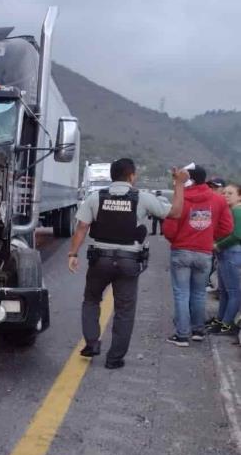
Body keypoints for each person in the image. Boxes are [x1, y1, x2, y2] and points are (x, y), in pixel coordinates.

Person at [68, 158, 188, 369]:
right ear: (132, 176)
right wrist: (178, 184)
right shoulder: (142, 197)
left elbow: (81, 227)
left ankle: (92, 344)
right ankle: (114, 359)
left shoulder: (96, 197)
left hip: (100, 260)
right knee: (124, 310)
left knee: (91, 300)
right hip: (128, 261)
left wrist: (73, 254)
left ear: (112, 176)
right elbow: (176, 213)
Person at [162, 165, 233, 346]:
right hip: (204, 252)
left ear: (188, 179)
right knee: (199, 293)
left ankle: (182, 334)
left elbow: (169, 229)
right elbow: (227, 228)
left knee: (181, 293)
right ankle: (198, 330)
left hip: (181, 251)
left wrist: (178, 240)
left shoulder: (181, 198)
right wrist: (209, 236)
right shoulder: (218, 200)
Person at [206, 183, 241, 335]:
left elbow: (237, 235)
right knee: (224, 292)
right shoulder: (231, 210)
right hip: (225, 254)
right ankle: (220, 321)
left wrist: (217, 245)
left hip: (231, 253)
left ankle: (227, 324)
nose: (226, 195)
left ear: (239, 196)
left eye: (230, 193)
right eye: (225, 192)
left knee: (233, 292)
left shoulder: (237, 211)